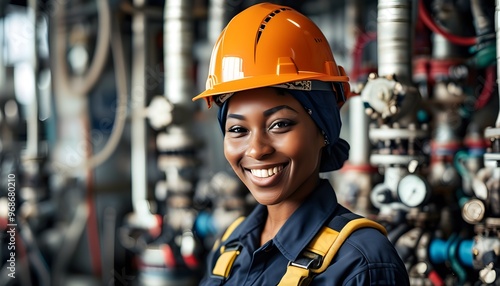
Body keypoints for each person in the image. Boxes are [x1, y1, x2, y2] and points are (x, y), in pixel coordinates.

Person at [192, 2, 410, 285]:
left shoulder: (362, 263)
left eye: (279, 125)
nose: (257, 149)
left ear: (324, 129)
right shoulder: (230, 245)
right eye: (237, 129)